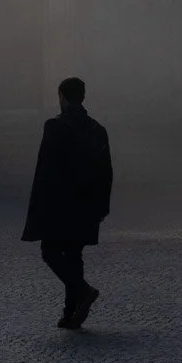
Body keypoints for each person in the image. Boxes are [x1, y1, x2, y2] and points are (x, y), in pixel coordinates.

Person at [22, 76, 113, 330]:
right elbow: (107, 171)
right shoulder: (97, 129)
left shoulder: (55, 126)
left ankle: (83, 292)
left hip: (62, 204)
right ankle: (69, 313)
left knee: (49, 251)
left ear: (62, 96)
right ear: (82, 97)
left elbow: (46, 171)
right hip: (88, 204)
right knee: (74, 254)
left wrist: (38, 210)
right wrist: (102, 206)